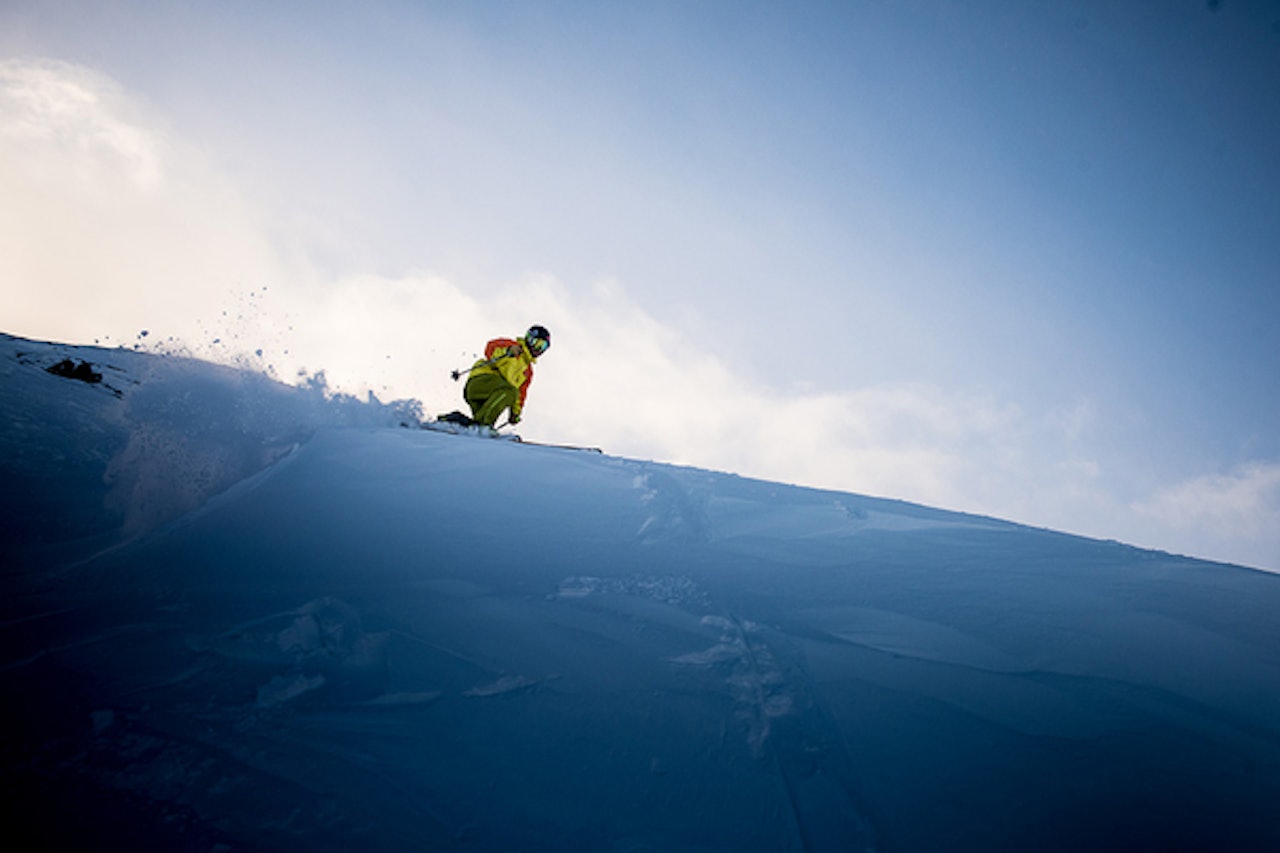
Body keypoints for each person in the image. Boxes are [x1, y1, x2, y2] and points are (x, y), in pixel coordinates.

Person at [459, 325, 551, 428]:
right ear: (528, 339)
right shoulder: (513, 346)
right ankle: (483, 426)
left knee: (478, 422)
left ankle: (456, 423)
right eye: (536, 343)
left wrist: (515, 414)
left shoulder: (527, 372)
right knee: (509, 392)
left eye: (543, 346)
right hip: (481, 381)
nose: (538, 349)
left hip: (492, 396)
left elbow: (521, 394)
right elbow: (490, 348)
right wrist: (508, 351)